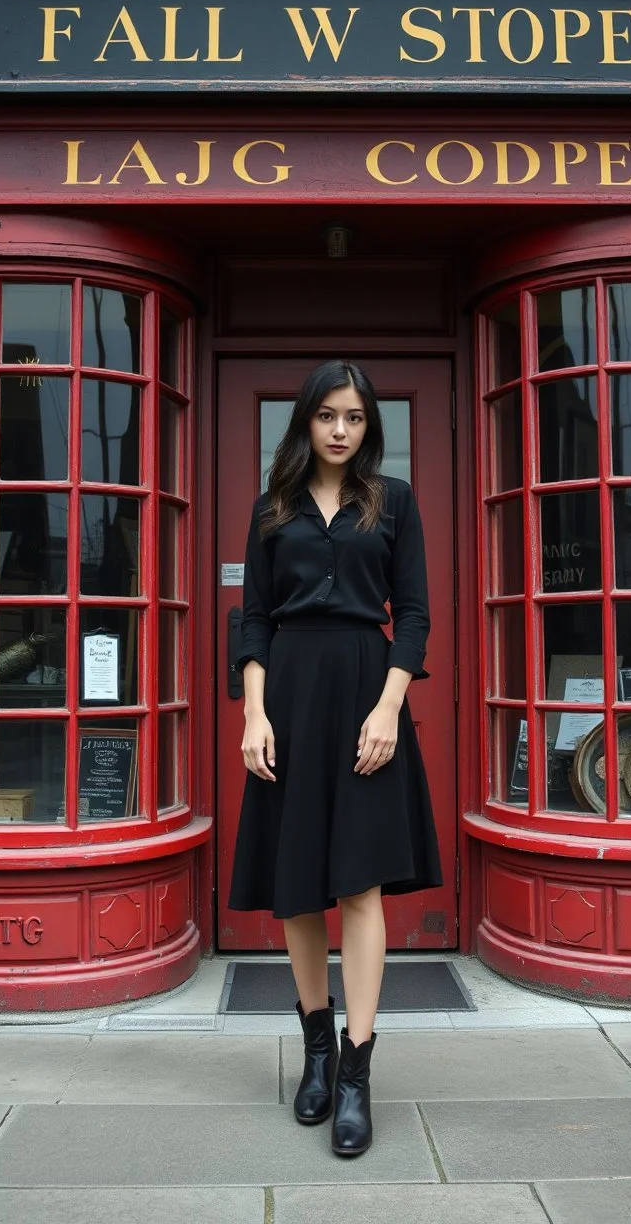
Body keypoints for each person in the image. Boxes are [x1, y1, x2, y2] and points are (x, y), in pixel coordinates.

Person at [228, 359, 443, 1157]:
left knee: (358, 880)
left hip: (365, 691)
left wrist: (389, 706)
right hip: (287, 696)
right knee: (296, 890)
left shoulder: (394, 503)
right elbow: (253, 620)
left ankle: (355, 1071)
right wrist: (253, 715)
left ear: (368, 424)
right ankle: (314, 1049)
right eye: (328, 416)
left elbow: (414, 614)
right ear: (306, 422)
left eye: (354, 417)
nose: (341, 430)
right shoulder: (271, 507)